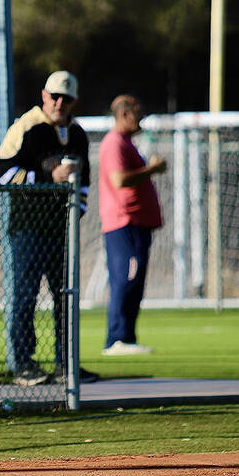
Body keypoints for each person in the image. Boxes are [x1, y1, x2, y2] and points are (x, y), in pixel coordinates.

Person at [0, 70, 99, 386]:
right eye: (54, 96)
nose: (59, 102)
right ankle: (24, 364)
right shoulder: (27, 127)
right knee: (25, 296)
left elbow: (83, 184)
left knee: (66, 296)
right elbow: (3, 174)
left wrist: (75, 213)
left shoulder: (78, 134)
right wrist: (46, 179)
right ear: (44, 95)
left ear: (74, 102)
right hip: (28, 227)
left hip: (61, 229)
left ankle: (66, 363)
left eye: (66, 98)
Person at [98, 95, 166, 355]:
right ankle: (116, 338)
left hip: (137, 223)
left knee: (134, 281)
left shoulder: (127, 143)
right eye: (137, 112)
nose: (141, 117)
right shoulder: (114, 143)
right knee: (125, 278)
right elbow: (119, 180)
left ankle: (127, 337)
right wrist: (152, 169)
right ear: (124, 114)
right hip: (123, 222)